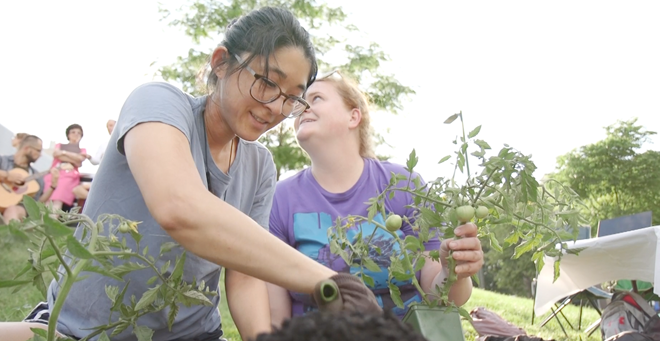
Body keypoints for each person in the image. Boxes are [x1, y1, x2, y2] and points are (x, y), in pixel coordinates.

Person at [0, 7, 379, 341]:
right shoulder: (158, 104)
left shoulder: (260, 165)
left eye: (293, 97)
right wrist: (324, 280)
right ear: (220, 63)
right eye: (267, 82)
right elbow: (180, 208)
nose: (277, 108)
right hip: (85, 330)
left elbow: (244, 276)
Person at [267, 72, 485, 326]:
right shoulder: (280, 199)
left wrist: (453, 272)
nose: (303, 107)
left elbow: (441, 297)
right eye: (299, 103)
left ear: (353, 116)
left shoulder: (404, 185)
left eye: (316, 98)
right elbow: (276, 318)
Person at [0, 135, 59, 223]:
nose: (40, 155)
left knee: (12, 210)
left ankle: (12, 235)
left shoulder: (36, 177)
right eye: (38, 150)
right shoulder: (3, 161)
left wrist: (53, 186)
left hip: (18, 208)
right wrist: (7, 175)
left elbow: (37, 202)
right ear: (27, 148)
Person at [43, 124, 90, 212]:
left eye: (79, 133)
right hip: (54, 173)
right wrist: (74, 157)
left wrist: (63, 153)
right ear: (68, 134)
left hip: (69, 177)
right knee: (48, 199)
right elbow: (56, 154)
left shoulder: (82, 150)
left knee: (57, 200)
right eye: (73, 132)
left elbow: (79, 160)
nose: (76, 134)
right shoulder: (59, 145)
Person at [72, 119, 116, 201]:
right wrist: (89, 157)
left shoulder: (123, 142)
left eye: (111, 125)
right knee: (77, 189)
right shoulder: (103, 145)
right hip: (103, 175)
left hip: (115, 177)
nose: (109, 128)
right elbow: (96, 161)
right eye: (108, 126)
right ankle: (97, 201)